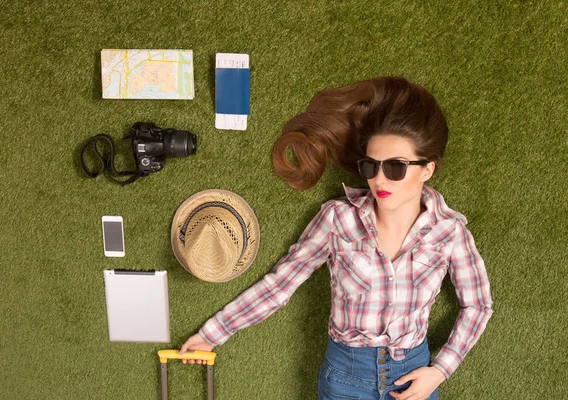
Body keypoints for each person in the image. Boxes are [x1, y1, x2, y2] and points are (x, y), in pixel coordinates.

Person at [180, 76, 494, 400]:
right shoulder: (338, 219)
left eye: (396, 167)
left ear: (427, 168)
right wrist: (213, 334)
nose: (380, 179)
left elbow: (478, 305)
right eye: (371, 166)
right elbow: (280, 284)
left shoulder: (450, 231)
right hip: (346, 379)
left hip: (414, 377)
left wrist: (439, 370)